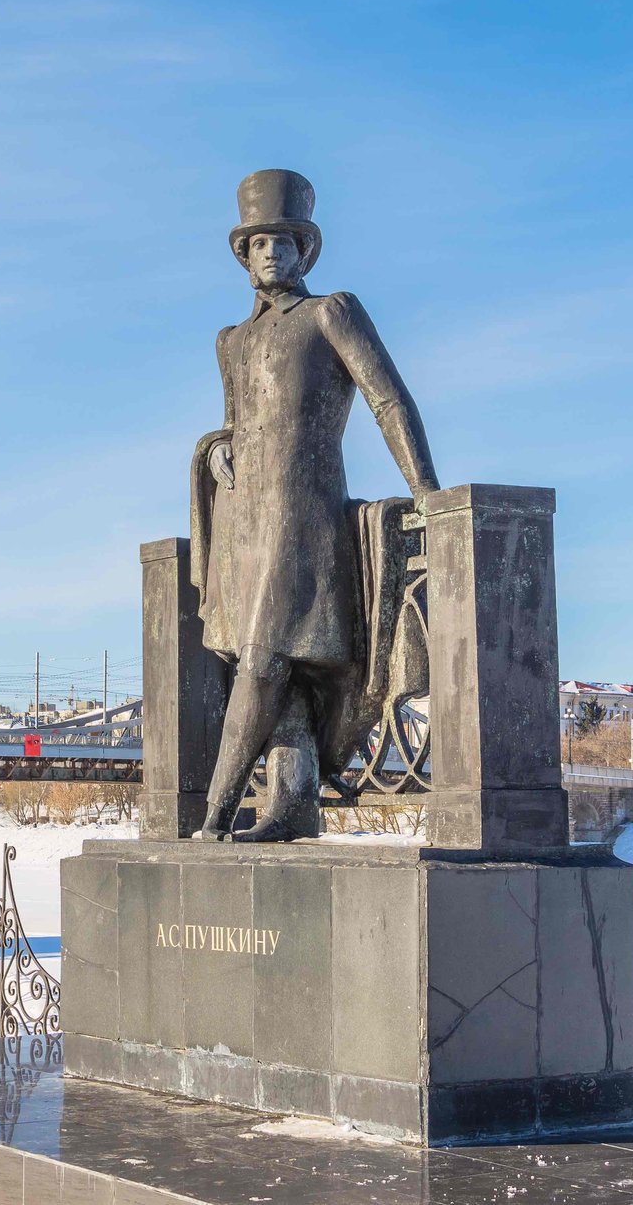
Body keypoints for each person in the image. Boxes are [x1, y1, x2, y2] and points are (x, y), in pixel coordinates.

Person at [189, 170, 438, 842]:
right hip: (245, 523)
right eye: (259, 243)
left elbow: (389, 401)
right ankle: (293, 804)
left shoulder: (332, 312)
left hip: (305, 522)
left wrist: (426, 492)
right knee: (280, 670)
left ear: (305, 252)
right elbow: (237, 423)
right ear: (244, 257)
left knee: (264, 661)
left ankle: (214, 817)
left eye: (284, 242)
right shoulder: (232, 341)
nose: (271, 252)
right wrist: (215, 450)